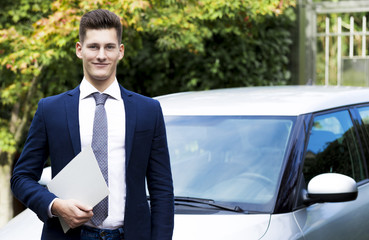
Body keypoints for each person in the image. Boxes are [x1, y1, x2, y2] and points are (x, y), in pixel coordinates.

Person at [11, 9, 174, 240]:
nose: (101, 55)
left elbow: (162, 190)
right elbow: (21, 177)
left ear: (120, 51)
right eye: (93, 46)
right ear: (80, 50)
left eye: (109, 47)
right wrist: (55, 205)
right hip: (69, 235)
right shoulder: (51, 110)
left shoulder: (148, 110)